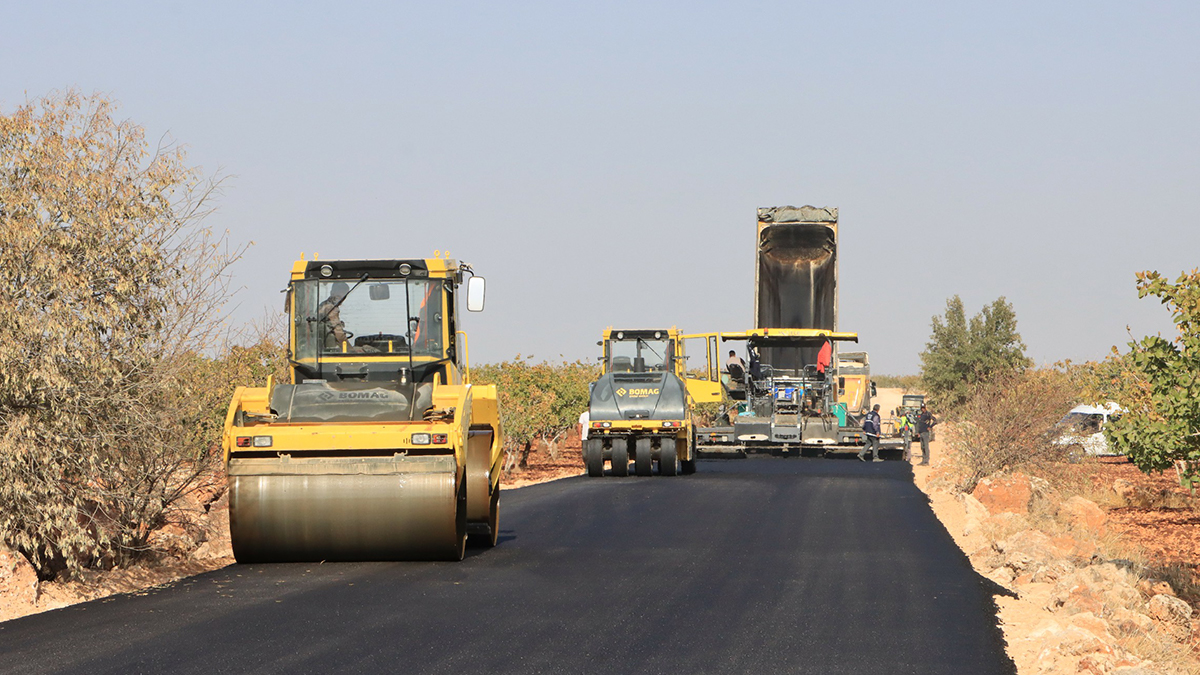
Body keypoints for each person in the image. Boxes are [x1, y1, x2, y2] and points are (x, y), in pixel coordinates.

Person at [319, 281, 351, 350]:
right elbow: (338, 333)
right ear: (332, 293)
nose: (342, 299)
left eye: (344, 296)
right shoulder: (330, 308)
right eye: (339, 296)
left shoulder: (324, 305)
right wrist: (351, 350)